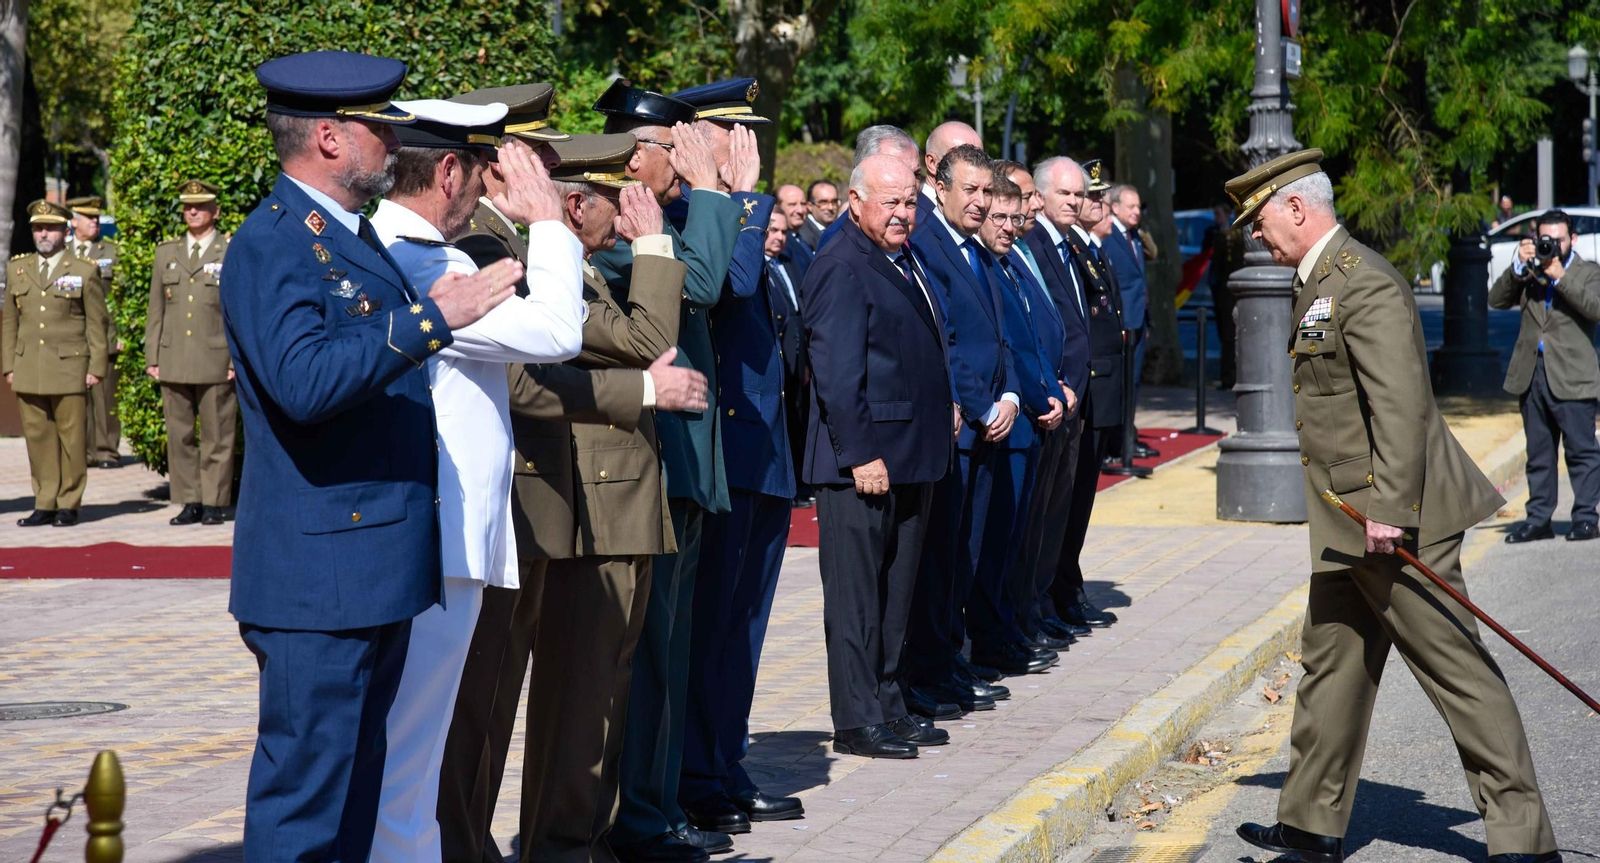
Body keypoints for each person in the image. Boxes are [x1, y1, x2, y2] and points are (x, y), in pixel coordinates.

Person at [222, 51, 523, 863]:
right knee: (305, 813)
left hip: (369, 567)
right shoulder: (273, 242)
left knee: (353, 806)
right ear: (329, 137)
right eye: (378, 127)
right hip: (319, 584)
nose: (393, 142)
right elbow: (304, 382)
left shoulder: (348, 234)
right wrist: (431, 320)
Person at [1227, 149, 1560, 863]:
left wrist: (1390, 508)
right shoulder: (1318, 279)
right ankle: (1310, 824)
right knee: (1331, 667)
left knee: (1457, 673)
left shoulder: (1362, 280)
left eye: (1258, 220)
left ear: (1296, 207)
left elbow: (1401, 405)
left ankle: (1524, 838)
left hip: (1393, 517)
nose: (1254, 235)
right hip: (1344, 518)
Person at [440, 131, 706, 863]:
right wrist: (653, 245)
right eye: (620, 198)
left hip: (570, 502)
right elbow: (643, 341)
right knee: (496, 705)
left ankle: (564, 846)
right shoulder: (500, 252)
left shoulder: (553, 258)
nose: (628, 211)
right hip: (538, 504)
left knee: (588, 699)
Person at [366, 99, 587, 863]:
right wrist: (550, 220)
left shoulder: (408, 250)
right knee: (409, 757)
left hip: (443, 536)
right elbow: (557, 331)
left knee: (413, 755)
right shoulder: (428, 262)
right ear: (449, 171)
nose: (490, 185)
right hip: (442, 540)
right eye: (483, 168)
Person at [592, 77, 749, 862]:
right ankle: (638, 818)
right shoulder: (614, 226)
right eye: (673, 147)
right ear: (634, 153)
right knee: (649, 655)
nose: (684, 162)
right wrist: (718, 190)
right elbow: (705, 283)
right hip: (649, 466)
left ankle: (658, 806)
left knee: (672, 652)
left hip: (683, 467)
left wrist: (717, 197)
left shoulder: (662, 220)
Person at [803, 153, 953, 759]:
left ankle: (889, 703)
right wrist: (861, 454)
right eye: (890, 202)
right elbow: (837, 374)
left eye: (910, 202)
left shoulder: (904, 256)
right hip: (862, 463)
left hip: (910, 455)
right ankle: (856, 718)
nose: (902, 213)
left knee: (896, 595)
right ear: (855, 200)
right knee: (857, 600)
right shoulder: (840, 263)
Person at [680, 202, 806, 841]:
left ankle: (727, 762)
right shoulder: (694, 215)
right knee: (713, 631)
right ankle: (698, 776)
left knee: (744, 633)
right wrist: (744, 205)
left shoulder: (731, 215)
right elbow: (731, 285)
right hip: (729, 456)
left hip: (765, 455)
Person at [907, 143, 1048, 712]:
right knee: (946, 559)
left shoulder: (978, 251)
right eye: (970, 189)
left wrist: (1011, 392)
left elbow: (1001, 334)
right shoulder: (928, 243)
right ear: (939, 188)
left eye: (986, 191)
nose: (981, 201)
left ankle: (951, 661)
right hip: (964, 428)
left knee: (966, 556)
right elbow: (949, 343)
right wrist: (984, 405)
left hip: (991, 422)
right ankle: (934, 669)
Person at [980, 175, 1071, 655]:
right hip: (1011, 420)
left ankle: (1014, 627)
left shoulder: (1011, 263)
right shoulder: (989, 267)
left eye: (1015, 218)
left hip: (1035, 414)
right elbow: (1011, 348)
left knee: (1019, 536)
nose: (1010, 226)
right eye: (999, 216)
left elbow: (1037, 339)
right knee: (999, 541)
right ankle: (996, 637)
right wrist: (1039, 398)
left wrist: (1053, 391)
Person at [1036, 157, 1122, 631]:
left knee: (1070, 506)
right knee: (1051, 512)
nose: (1075, 201)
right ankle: (1049, 599)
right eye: (1066, 194)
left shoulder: (1070, 245)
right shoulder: (1036, 243)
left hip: (1084, 391)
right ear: (1040, 197)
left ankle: (1060, 594)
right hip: (1059, 395)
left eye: (1079, 195)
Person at [1489, 209, 1600, 543]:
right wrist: (1517, 267)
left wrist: (1560, 277)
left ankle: (1586, 518)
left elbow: (1595, 309)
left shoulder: (1588, 271)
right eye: (1545, 239)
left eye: (1559, 239)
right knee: (1538, 454)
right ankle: (1539, 520)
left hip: (1573, 375)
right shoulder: (1529, 272)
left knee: (1581, 451)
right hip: (1532, 373)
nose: (1552, 245)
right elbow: (1496, 300)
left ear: (1573, 239)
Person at [4, 199, 108, 528]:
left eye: (49, 228)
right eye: (38, 228)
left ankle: (69, 502)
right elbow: (10, 322)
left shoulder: (83, 270)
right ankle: (45, 501)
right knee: (38, 439)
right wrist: (9, 365)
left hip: (69, 366)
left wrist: (97, 366)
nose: (43, 234)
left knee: (72, 439)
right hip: (29, 366)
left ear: (65, 231)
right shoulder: (18, 269)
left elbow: (97, 322)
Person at [145, 180, 237, 526]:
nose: (193, 211)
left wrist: (234, 359)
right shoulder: (166, 253)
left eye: (200, 206)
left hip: (216, 357)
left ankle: (214, 502)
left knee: (217, 434)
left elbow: (236, 311)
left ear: (216, 211)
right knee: (179, 435)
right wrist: (152, 357)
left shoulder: (229, 251)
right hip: (174, 357)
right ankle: (190, 500)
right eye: (187, 206)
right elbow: (156, 310)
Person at [449, 81, 574, 297]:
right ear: (499, 159)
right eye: (539, 148)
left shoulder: (496, 226)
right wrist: (547, 222)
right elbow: (552, 317)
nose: (555, 159)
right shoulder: (478, 238)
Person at [67, 196, 121, 469]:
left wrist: (122, 334)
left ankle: (107, 451)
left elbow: (122, 297)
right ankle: (83, 452)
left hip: (105, 333)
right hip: (73, 336)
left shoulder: (110, 251)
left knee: (105, 397)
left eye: (97, 218)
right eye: (89, 218)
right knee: (78, 398)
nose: (95, 222)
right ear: (74, 221)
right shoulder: (63, 252)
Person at [1103, 183, 1157, 458]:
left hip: (1137, 321)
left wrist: (1146, 320)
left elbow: (1140, 280)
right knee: (1119, 385)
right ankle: (1116, 443)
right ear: (1114, 207)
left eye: (1139, 207)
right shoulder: (1107, 234)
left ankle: (1127, 438)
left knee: (1132, 383)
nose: (1137, 211)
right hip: (1120, 322)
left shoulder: (1133, 236)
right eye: (1131, 206)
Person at [764, 210, 811, 507]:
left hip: (797, 359)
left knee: (798, 420)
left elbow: (800, 314)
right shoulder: (760, 268)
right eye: (772, 230)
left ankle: (799, 485)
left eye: (783, 232)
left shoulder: (788, 264)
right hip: (776, 360)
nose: (779, 237)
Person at [815, 125, 920, 252]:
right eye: (897, 173)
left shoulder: (914, 222)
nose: (912, 183)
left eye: (916, 174)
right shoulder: (836, 246)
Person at [918, 121, 983, 223]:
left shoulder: (977, 216)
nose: (974, 168)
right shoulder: (916, 221)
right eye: (964, 159)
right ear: (932, 163)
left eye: (980, 160)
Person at [774, 182, 813, 267]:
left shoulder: (806, 238)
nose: (800, 210)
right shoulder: (777, 243)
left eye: (803, 204)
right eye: (792, 204)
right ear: (777, 207)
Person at [799, 179, 837, 249]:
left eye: (834, 201)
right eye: (823, 202)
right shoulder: (802, 235)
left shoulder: (840, 230)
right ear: (809, 206)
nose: (830, 207)